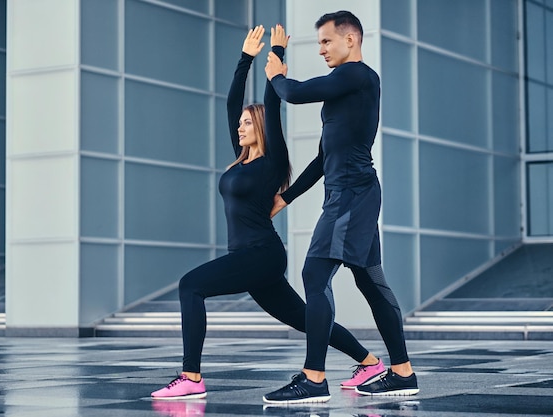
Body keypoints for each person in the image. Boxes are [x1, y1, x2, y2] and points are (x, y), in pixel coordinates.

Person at [151, 24, 386, 401]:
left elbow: (273, 102)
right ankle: (370, 361)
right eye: (240, 124)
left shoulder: (273, 162)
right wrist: (245, 60)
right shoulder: (240, 160)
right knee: (301, 317)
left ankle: (191, 377)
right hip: (248, 257)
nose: (241, 127)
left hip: (261, 254)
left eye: (248, 123)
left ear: (259, 128)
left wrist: (276, 55)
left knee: (190, 285)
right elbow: (232, 104)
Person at [263, 11, 419, 402]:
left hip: (352, 194)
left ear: (350, 40)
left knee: (314, 273)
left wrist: (276, 74)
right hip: (350, 194)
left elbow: (294, 93)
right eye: (318, 44)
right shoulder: (342, 92)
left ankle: (314, 378)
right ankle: (402, 373)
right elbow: (321, 159)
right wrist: (286, 197)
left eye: (326, 41)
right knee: (370, 281)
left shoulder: (357, 76)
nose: (321, 50)